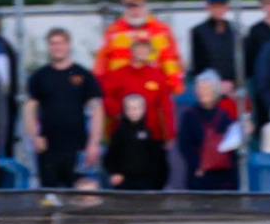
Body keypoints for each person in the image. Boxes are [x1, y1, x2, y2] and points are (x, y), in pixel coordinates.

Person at [24, 29, 102, 189]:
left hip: (77, 147)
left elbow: (97, 109)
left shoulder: (83, 74)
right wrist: (35, 136)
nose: (56, 47)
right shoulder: (40, 76)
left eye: (60, 43)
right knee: (49, 196)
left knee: (84, 192)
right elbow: (29, 109)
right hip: (48, 147)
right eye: (52, 43)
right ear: (48, 46)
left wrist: (94, 143)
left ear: (68, 45)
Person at [96, 0, 185, 100]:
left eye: (138, 6)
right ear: (124, 9)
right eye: (130, 7)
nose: (135, 11)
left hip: (154, 94)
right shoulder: (113, 31)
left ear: (146, 7)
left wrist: (174, 85)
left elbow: (171, 59)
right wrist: (99, 89)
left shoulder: (162, 30)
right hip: (122, 96)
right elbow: (102, 63)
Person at [99, 34, 175, 144]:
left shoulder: (158, 75)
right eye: (139, 47)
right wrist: (120, 111)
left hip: (153, 136)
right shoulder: (118, 74)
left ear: (150, 51)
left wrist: (169, 134)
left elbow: (166, 106)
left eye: (145, 47)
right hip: (124, 136)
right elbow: (103, 97)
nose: (142, 51)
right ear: (132, 50)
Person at [178, 70, 236, 190]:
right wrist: (197, 166)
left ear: (215, 91)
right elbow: (185, 145)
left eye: (207, 88)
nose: (203, 92)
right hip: (200, 174)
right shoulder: (189, 116)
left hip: (224, 175)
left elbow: (232, 144)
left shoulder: (225, 114)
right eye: (200, 88)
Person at [103, 92, 167, 190]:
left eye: (136, 108)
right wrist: (114, 172)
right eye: (129, 108)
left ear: (143, 109)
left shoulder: (151, 131)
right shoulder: (119, 132)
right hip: (124, 182)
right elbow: (111, 155)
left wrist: (158, 183)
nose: (132, 112)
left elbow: (159, 160)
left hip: (147, 183)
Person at [190, 0, 239, 91]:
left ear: (226, 8)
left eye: (221, 6)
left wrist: (233, 83)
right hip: (209, 88)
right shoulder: (198, 31)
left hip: (232, 87)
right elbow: (198, 65)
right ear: (208, 7)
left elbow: (238, 61)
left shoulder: (234, 30)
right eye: (214, 6)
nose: (218, 9)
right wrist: (214, 84)